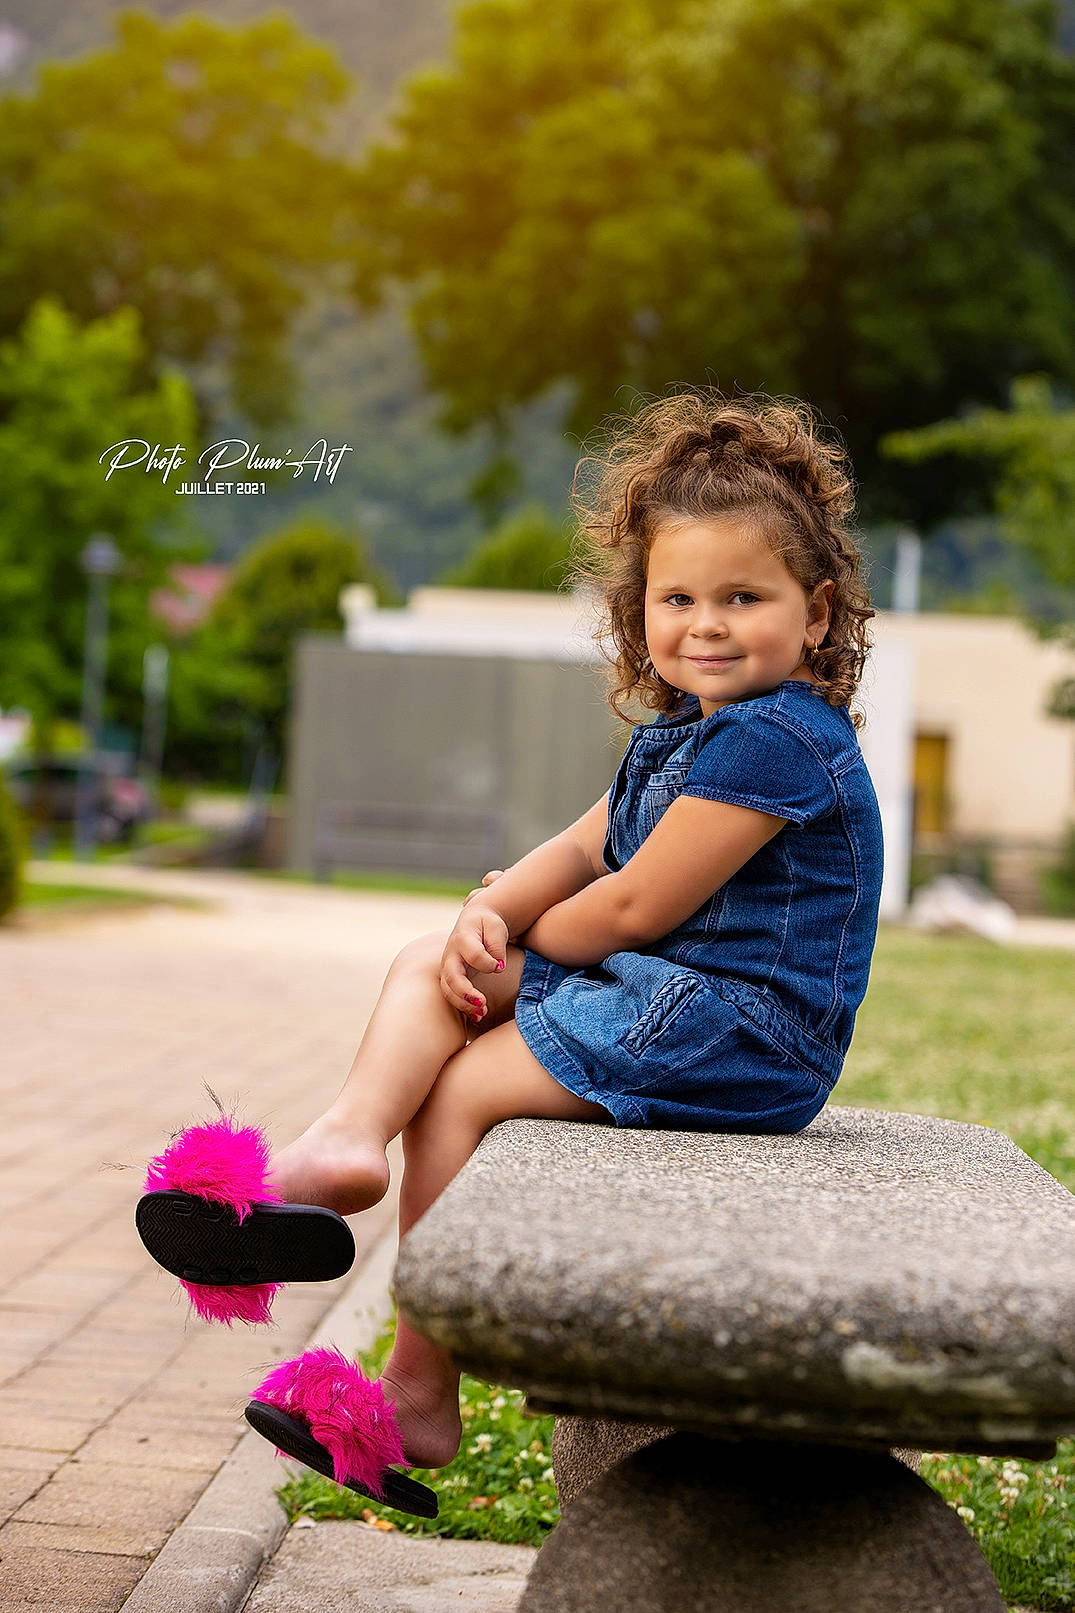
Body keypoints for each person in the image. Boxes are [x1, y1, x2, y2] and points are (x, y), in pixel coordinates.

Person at [139, 389, 883, 1503]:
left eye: (744, 596)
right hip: (668, 998)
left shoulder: (780, 736)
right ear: (640, 611)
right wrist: (484, 915)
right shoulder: (683, 733)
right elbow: (581, 847)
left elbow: (631, 908)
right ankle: (343, 1143)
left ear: (815, 615)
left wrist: (519, 934)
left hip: (743, 1032)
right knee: (426, 961)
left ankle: (417, 1389)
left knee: (462, 1091)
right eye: (679, 598)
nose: (708, 624)